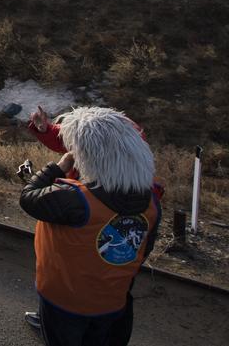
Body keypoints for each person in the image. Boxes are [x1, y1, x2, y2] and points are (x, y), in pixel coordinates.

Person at [20, 107, 160, 346]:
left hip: (65, 299)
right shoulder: (151, 203)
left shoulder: (77, 199)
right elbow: (142, 250)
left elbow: (29, 198)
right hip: (111, 300)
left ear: (93, 155)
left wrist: (57, 168)